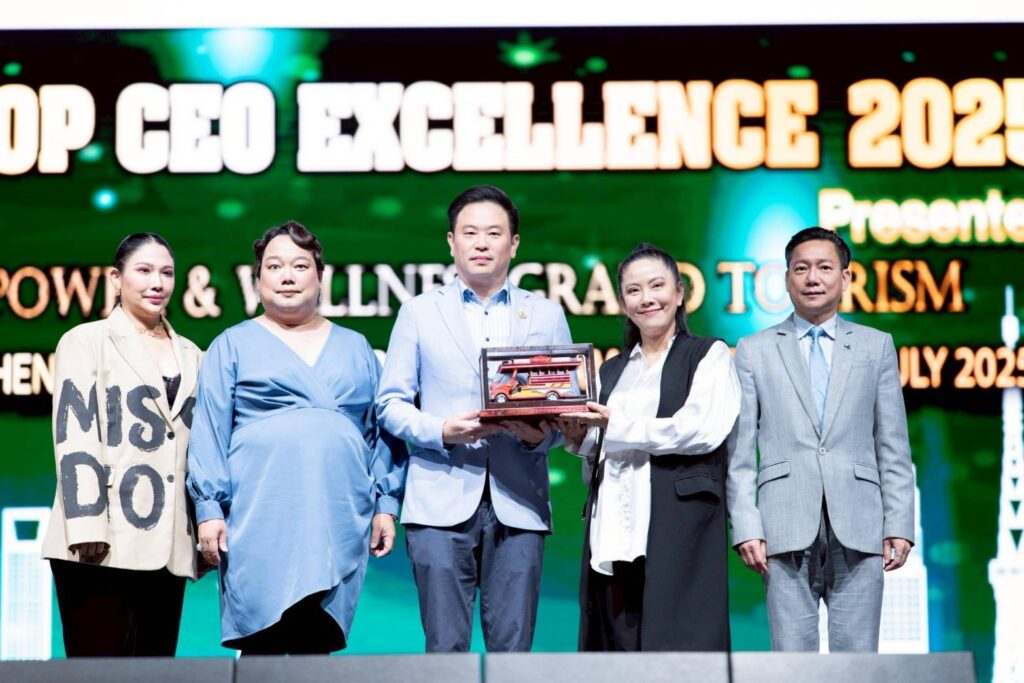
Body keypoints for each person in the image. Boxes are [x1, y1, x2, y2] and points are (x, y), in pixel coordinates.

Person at [186, 221, 405, 655]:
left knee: (316, 649)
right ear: (258, 278)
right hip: (257, 516)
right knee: (261, 649)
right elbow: (209, 431)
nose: (287, 276)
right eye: (274, 266)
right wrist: (208, 509)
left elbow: (381, 433)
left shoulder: (356, 346)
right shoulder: (231, 344)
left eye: (300, 266)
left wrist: (386, 503)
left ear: (320, 277)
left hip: (336, 515)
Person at [376, 185, 571, 652]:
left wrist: (535, 438)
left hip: (519, 503)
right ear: (451, 242)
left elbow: (567, 413)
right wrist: (442, 430)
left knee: (513, 652)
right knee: (445, 651)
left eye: (494, 233)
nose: (481, 243)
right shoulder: (419, 312)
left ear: (514, 243)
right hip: (438, 501)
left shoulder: (546, 314)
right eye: (470, 233)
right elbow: (391, 404)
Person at [727, 226, 916, 652]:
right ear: (787, 278)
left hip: (861, 523)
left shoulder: (876, 346)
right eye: (801, 269)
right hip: (783, 524)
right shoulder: (755, 350)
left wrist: (899, 523)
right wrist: (746, 525)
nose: (813, 278)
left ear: (845, 277)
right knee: (793, 665)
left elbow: (894, 445)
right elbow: (740, 454)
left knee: (857, 665)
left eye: (825, 268)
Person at [555, 243, 739, 652]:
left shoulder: (708, 354)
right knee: (618, 652)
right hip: (614, 532)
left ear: (679, 292)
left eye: (657, 286)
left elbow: (700, 430)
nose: (647, 298)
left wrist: (612, 425)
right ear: (623, 303)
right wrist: (580, 439)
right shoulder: (612, 369)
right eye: (634, 290)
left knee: (681, 652)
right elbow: (604, 452)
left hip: (678, 527)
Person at [42, 233, 202, 656]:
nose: (157, 283)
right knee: (99, 672)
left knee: (154, 672)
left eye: (166, 273)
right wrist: (86, 523)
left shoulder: (192, 354)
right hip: (101, 538)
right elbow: (74, 432)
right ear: (116, 278)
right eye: (144, 271)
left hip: (168, 544)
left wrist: (199, 528)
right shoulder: (86, 340)